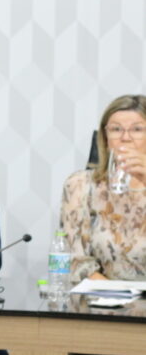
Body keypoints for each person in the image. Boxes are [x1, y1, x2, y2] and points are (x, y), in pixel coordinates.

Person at [61, 94, 146, 283]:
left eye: (137, 129)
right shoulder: (79, 185)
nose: (125, 137)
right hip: (104, 301)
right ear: (105, 137)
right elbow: (74, 259)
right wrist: (114, 295)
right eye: (116, 129)